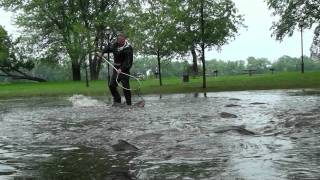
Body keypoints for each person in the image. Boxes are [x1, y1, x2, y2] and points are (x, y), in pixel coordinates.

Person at [97, 33, 133, 106]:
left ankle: (129, 104)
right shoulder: (115, 45)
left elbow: (128, 61)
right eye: (118, 40)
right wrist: (102, 52)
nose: (118, 42)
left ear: (124, 40)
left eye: (120, 40)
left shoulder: (128, 48)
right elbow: (108, 48)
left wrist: (121, 69)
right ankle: (117, 100)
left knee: (126, 87)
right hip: (116, 69)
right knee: (111, 85)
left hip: (124, 70)